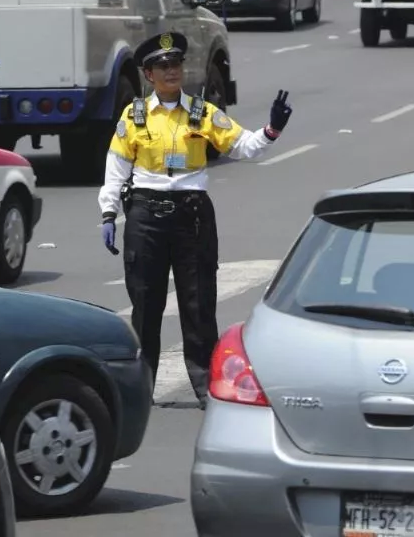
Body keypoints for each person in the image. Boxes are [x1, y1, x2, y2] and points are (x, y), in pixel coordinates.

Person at [98, 32, 293, 408]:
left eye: (176, 64)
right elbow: (116, 168)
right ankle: (142, 388)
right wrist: (109, 211)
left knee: (199, 302)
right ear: (148, 74)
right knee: (145, 304)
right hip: (146, 215)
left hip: (192, 215)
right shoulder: (134, 116)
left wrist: (271, 130)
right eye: (163, 66)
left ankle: (206, 387)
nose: (172, 71)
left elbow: (242, 146)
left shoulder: (201, 112)